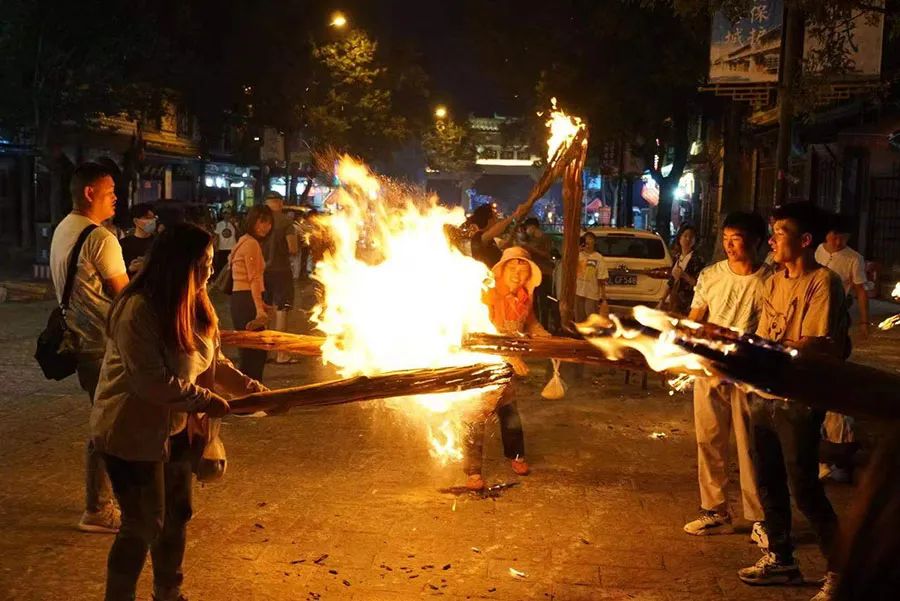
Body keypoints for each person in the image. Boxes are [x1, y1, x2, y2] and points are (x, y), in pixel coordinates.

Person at [91, 223, 266, 601]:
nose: (208, 270)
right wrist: (207, 400)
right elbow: (150, 382)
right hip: (131, 432)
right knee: (142, 524)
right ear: (176, 265)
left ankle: (168, 591)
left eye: (209, 261)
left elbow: (212, 361)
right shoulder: (138, 309)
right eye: (201, 263)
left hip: (176, 430)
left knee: (177, 514)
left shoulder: (197, 303)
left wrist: (254, 392)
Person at [737, 203, 847, 601]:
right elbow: (765, 332)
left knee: (803, 485)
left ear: (804, 241)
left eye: (780, 231)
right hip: (765, 392)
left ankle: (840, 568)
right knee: (767, 479)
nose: (771, 238)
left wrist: (764, 350)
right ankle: (781, 558)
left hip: (799, 397)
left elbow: (811, 342)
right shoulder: (771, 282)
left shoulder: (824, 282)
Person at [49, 162, 129, 534]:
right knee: (108, 426)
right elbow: (125, 297)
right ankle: (98, 508)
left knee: (107, 421)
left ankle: (110, 499)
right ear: (89, 193)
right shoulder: (101, 238)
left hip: (79, 342)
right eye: (110, 190)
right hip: (102, 344)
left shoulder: (63, 228)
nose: (116, 197)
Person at [682, 212, 770, 547]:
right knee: (709, 439)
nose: (730, 245)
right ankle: (714, 510)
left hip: (750, 374)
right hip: (710, 369)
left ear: (756, 241)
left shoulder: (769, 280)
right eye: (726, 237)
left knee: (750, 447)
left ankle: (760, 517)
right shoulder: (710, 276)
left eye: (737, 238)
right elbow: (696, 316)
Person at [463, 247, 550, 491]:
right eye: (513, 268)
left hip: (507, 365)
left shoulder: (525, 296)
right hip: (481, 361)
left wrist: (546, 338)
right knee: (475, 414)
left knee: (509, 410)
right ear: (502, 270)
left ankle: (516, 455)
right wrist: (510, 356)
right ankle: (473, 470)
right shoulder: (488, 294)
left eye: (523, 271)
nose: (517, 274)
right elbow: (482, 332)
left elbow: (530, 322)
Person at [815, 214, 867, 483]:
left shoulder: (853, 259)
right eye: (833, 235)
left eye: (842, 237)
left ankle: (839, 455)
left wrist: (865, 321)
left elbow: (859, 290)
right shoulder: (816, 251)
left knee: (833, 391)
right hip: (812, 328)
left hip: (835, 325)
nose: (836, 241)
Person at [229, 205, 274, 381]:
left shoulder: (242, 241)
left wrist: (260, 304)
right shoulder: (252, 244)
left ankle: (249, 399)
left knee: (249, 352)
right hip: (246, 300)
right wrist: (259, 310)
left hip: (241, 300)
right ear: (252, 221)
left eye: (269, 222)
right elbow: (253, 279)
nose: (266, 226)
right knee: (255, 353)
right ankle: (252, 400)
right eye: (261, 221)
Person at [263, 193, 298, 363]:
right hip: (281, 270)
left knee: (264, 310)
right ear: (280, 203)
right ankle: (281, 354)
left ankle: (263, 353)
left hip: (260, 271)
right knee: (281, 310)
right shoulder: (285, 221)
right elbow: (292, 248)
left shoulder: (256, 221)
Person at [465, 203, 529, 269]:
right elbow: (497, 229)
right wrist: (515, 214)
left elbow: (505, 245)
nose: (497, 220)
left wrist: (517, 224)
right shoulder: (478, 236)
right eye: (495, 217)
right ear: (489, 220)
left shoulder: (490, 239)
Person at [521, 217, 555, 327]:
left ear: (533, 227)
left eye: (527, 228)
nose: (527, 231)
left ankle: (544, 325)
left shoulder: (545, 239)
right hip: (533, 274)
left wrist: (532, 249)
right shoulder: (529, 240)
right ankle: (534, 325)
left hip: (544, 273)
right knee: (533, 301)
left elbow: (548, 255)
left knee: (543, 301)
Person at [665, 224, 704, 315]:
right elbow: (671, 281)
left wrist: (684, 275)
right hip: (674, 301)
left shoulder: (697, 259)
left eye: (691, 237)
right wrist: (662, 299)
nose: (688, 239)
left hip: (688, 303)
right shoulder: (677, 257)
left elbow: (699, 283)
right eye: (685, 236)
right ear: (679, 238)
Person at [574, 231, 609, 322]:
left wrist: (603, 295)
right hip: (578, 291)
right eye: (586, 242)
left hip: (591, 293)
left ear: (594, 243)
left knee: (591, 318)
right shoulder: (577, 255)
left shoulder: (598, 258)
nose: (588, 245)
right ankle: (579, 335)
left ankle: (592, 335)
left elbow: (602, 277)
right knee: (579, 317)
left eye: (590, 242)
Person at [119, 203, 157, 276]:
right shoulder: (123, 244)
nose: (152, 221)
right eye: (147, 218)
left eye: (153, 218)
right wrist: (130, 268)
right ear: (136, 221)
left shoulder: (159, 242)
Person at [213, 209, 238, 275]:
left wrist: (234, 225)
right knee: (221, 266)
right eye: (225, 213)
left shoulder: (234, 224)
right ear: (223, 215)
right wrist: (216, 246)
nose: (227, 215)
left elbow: (239, 233)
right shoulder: (219, 224)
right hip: (222, 248)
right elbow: (217, 236)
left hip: (231, 247)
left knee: (231, 265)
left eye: (228, 213)